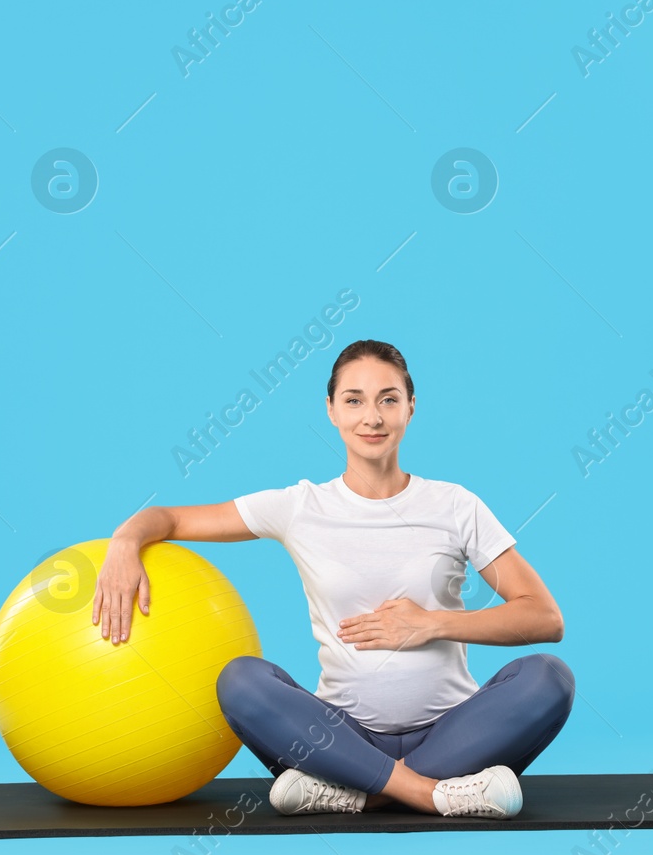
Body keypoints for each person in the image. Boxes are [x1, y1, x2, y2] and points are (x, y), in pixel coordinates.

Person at [93, 339, 574, 818]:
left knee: (549, 678)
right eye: (354, 400)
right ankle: (431, 794)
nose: (373, 417)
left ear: (411, 407)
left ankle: (359, 792)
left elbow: (543, 616)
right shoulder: (299, 507)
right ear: (330, 410)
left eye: (389, 399)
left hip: (451, 732)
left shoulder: (454, 505)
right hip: (338, 737)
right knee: (241, 680)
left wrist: (431, 623)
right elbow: (170, 520)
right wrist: (124, 542)